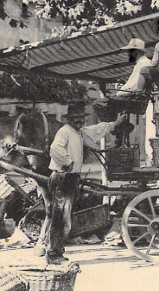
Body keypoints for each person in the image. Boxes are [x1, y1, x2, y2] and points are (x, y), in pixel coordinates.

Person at [43, 102, 126, 264]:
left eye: (80, 118)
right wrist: (67, 162)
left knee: (65, 218)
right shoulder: (64, 132)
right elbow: (55, 148)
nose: (78, 121)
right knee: (61, 217)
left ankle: (57, 252)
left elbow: (95, 130)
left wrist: (114, 124)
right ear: (69, 120)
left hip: (70, 178)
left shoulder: (78, 132)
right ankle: (53, 254)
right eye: (75, 119)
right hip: (62, 177)